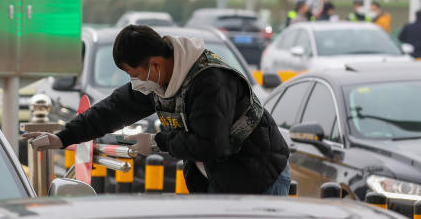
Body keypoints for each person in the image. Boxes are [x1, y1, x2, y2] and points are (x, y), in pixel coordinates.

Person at [22, 25, 290, 195]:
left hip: (259, 176)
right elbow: (112, 110)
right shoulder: (160, 82)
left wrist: (157, 141)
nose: (135, 81)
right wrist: (63, 136)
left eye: (134, 73)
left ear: (156, 65)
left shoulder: (210, 82)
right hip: (224, 176)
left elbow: (211, 144)